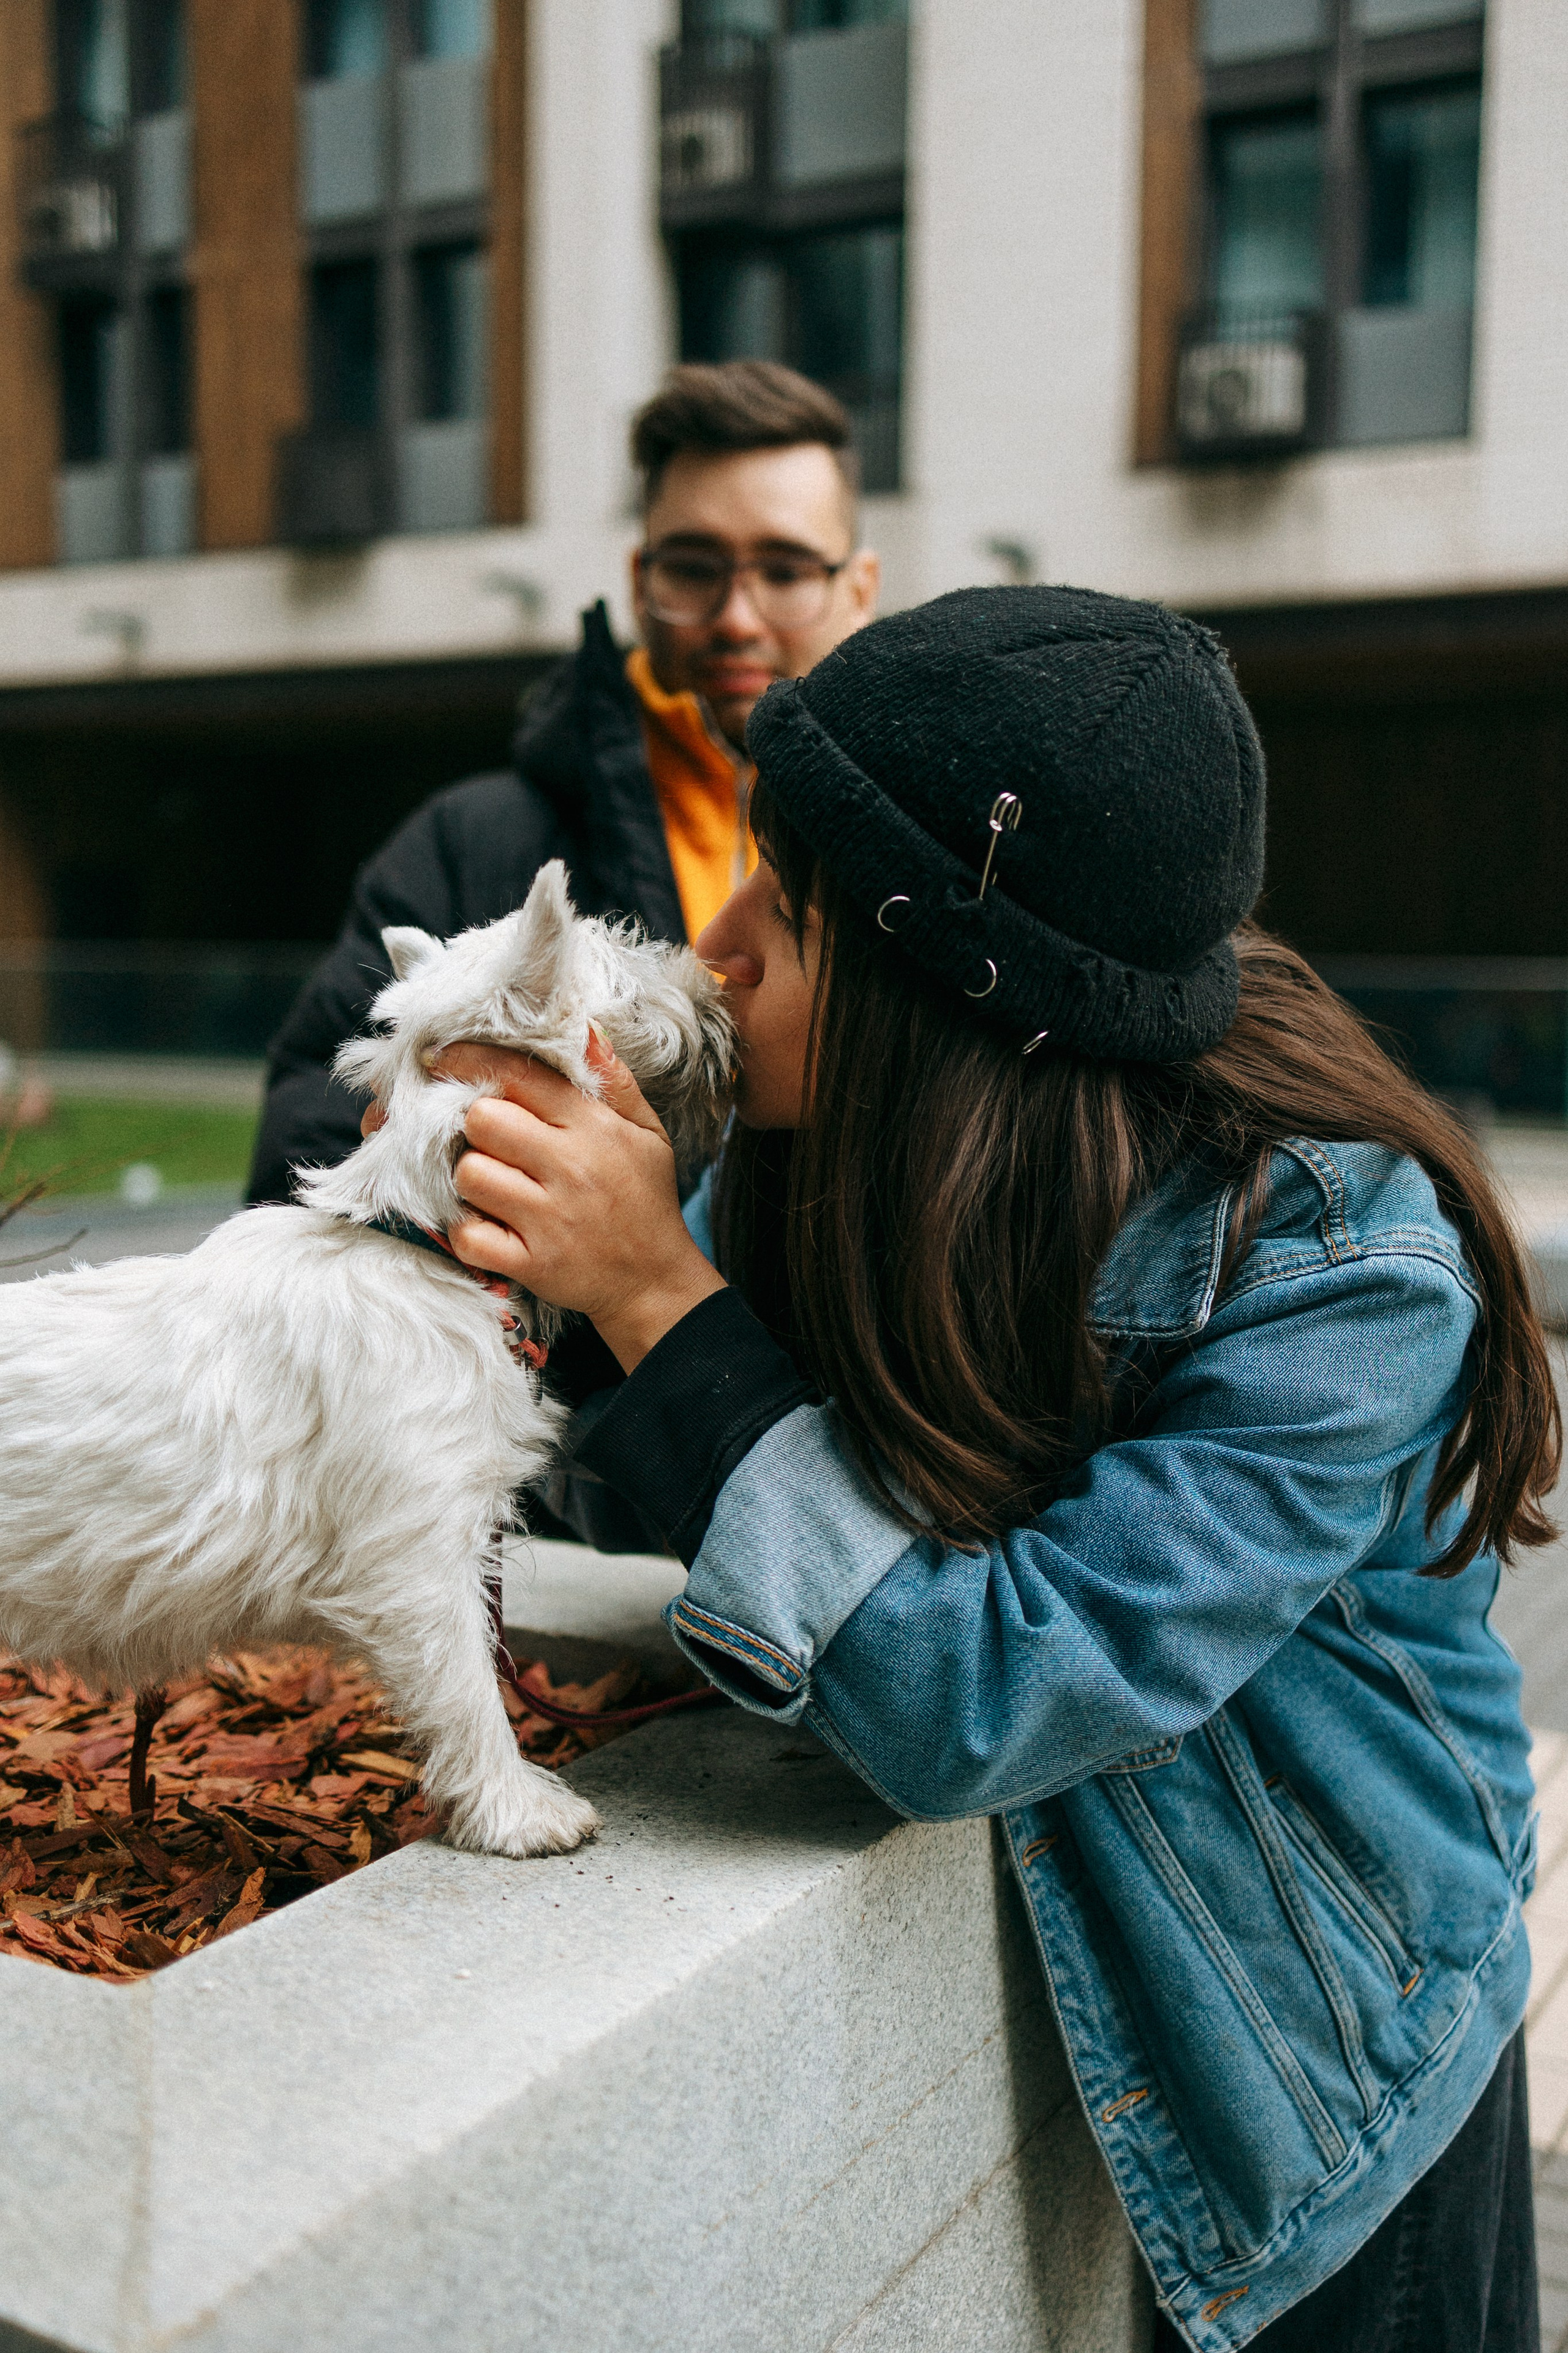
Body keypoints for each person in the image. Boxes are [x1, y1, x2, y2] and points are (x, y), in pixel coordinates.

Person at [428, 586, 1558, 2350]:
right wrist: (491, 1248)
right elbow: (617, 1486)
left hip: (1335, 2062)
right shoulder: (861, 1139)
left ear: (951, 1012)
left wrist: (657, 1291)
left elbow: (993, 1688)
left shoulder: (1338, 1273)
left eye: (785, 926)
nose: (717, 951)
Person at [244, 358, 879, 1204]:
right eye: (694, 567)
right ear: (639, 579)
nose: (737, 614)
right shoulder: (469, 844)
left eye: (786, 569)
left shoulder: (926, 857)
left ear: (860, 588)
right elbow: (312, 1147)